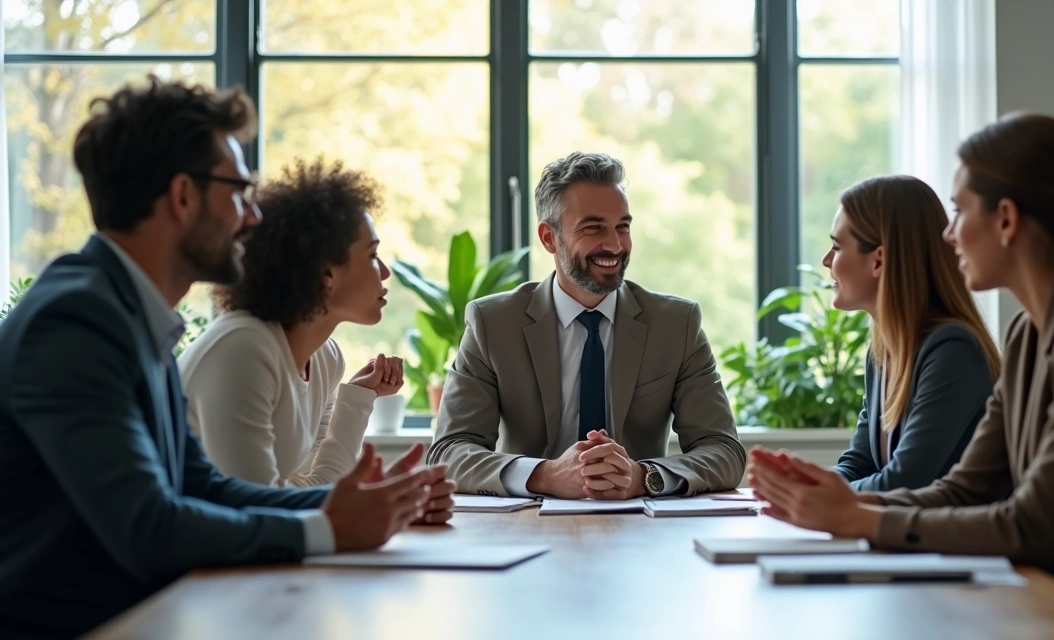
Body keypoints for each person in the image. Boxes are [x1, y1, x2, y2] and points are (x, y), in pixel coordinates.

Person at [0, 77, 442, 638]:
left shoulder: (129, 312)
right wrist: (328, 529)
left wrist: (372, 503)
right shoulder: (75, 322)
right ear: (183, 197)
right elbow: (148, 526)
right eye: (237, 190)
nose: (252, 216)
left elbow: (203, 486)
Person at [748, 113, 1054, 637]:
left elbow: (1034, 525)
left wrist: (857, 515)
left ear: (1007, 220)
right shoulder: (1029, 334)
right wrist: (839, 500)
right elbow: (965, 488)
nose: (948, 235)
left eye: (959, 211)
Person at [429, 151, 745, 499]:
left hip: (642, 530)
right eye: (594, 228)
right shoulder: (493, 324)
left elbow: (724, 451)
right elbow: (449, 452)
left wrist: (643, 477)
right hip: (528, 528)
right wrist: (545, 475)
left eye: (622, 227)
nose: (615, 245)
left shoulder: (676, 324)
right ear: (549, 237)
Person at [177, 158, 455, 524]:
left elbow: (310, 487)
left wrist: (357, 398)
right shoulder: (244, 348)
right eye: (372, 255)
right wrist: (375, 500)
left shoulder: (325, 357)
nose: (385, 271)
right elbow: (259, 513)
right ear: (326, 272)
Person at [827, 176, 1000, 491]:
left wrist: (820, 497)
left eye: (837, 247)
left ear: (878, 259)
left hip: (954, 539)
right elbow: (859, 463)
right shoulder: (880, 353)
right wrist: (804, 485)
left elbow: (904, 481)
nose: (827, 261)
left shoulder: (953, 351)